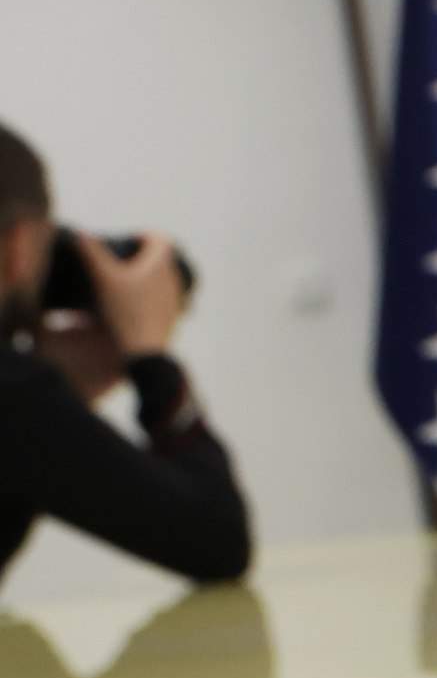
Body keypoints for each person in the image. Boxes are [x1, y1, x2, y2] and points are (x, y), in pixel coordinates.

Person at [0, 119, 250, 589]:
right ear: (19, 246)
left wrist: (59, 389)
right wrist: (150, 357)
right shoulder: (14, 396)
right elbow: (218, 542)